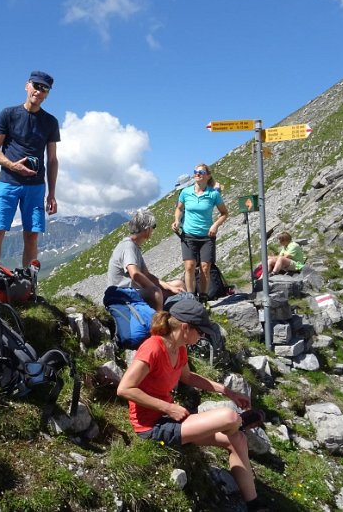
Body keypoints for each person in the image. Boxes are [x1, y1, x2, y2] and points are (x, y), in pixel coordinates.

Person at [116, 299, 268, 512]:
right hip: (152, 426)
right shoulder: (152, 348)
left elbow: (187, 377)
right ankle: (240, 422)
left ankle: (254, 505)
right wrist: (167, 407)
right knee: (230, 418)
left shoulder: (179, 348)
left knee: (237, 440)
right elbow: (124, 388)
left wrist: (228, 391)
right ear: (185, 328)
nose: (202, 336)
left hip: (169, 417)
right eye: (201, 331)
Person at [0, 71, 60, 267]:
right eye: (36, 86)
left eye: (44, 89)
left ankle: (27, 288)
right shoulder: (8, 114)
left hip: (36, 186)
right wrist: (12, 166)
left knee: (32, 235)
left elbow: (52, 160)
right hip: (8, 182)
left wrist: (52, 194)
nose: (39, 91)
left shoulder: (51, 122)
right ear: (27, 86)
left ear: (47, 94)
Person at [107, 208, 185, 310]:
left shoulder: (134, 246)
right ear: (147, 229)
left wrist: (169, 287)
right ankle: (159, 322)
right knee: (156, 293)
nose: (153, 230)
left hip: (133, 290)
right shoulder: (128, 246)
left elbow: (147, 275)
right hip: (122, 294)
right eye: (153, 226)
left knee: (178, 284)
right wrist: (155, 288)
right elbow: (135, 274)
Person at [171, 163, 229, 300]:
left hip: (207, 236)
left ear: (207, 176)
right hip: (188, 235)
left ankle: (203, 297)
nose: (197, 174)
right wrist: (177, 221)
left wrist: (215, 226)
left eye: (201, 172)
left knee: (205, 268)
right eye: (195, 171)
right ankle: (191, 297)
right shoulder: (185, 192)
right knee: (190, 266)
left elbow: (224, 213)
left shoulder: (213, 194)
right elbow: (179, 209)